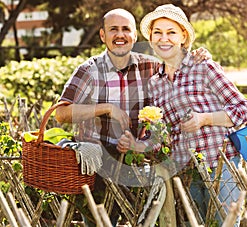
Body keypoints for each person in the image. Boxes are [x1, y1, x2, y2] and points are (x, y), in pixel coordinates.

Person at [55, 7, 212, 227]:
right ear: (103, 35)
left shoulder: (151, 66)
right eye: (113, 30)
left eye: (126, 29)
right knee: (99, 222)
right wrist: (106, 108)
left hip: (137, 165)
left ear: (135, 36)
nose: (120, 35)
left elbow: (183, 70)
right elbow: (61, 113)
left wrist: (200, 56)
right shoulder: (88, 70)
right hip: (96, 167)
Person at [117, 4, 247, 226]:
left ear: (183, 36)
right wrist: (136, 144)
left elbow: (244, 110)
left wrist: (204, 119)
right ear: (151, 39)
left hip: (221, 166)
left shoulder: (203, 67)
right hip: (188, 174)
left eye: (171, 32)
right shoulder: (156, 82)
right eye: (158, 33)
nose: (164, 39)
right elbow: (162, 136)